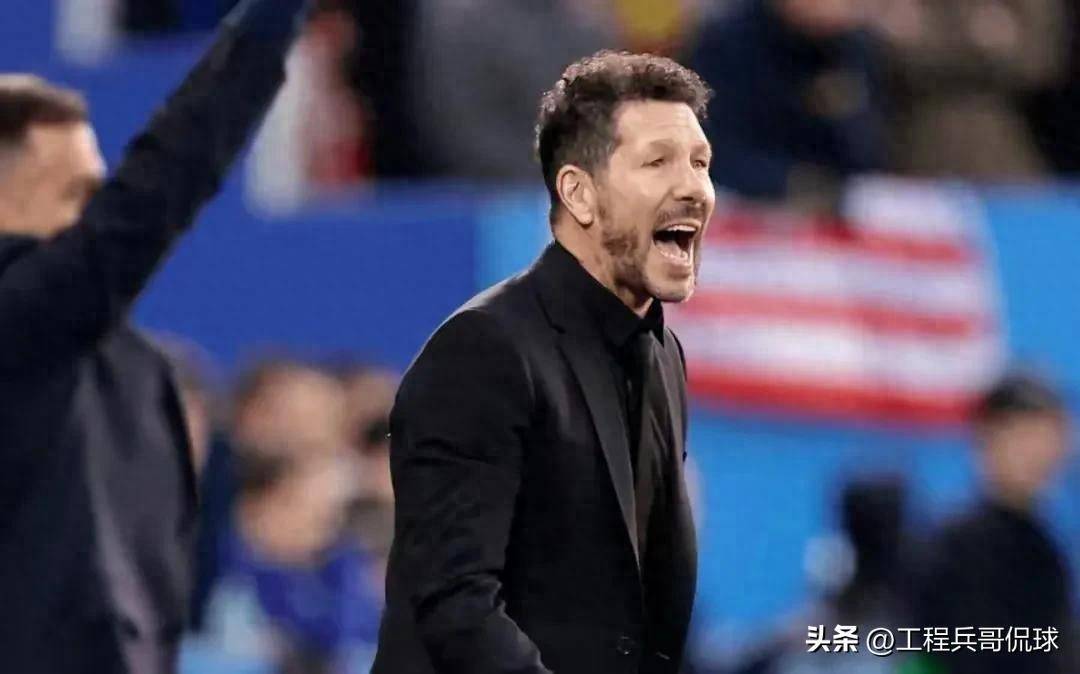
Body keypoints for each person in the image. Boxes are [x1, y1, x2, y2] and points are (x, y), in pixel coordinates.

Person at [373, 50, 714, 674]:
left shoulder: (665, 356)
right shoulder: (483, 350)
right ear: (579, 194)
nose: (693, 187)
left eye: (700, 163)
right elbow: (456, 603)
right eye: (658, 162)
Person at [0, 1, 310, 671]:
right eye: (72, 191)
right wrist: (268, 24)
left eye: (98, 193)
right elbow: (159, 184)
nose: (93, 216)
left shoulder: (135, 370)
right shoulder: (16, 319)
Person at [913, 373, 1075, 674]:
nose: (1039, 453)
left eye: (1049, 437)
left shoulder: (1047, 551)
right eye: (1024, 437)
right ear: (986, 440)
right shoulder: (951, 547)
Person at [688, 0, 887, 209]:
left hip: (834, 204)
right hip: (741, 202)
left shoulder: (852, 49)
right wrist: (792, 183)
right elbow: (715, 152)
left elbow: (866, 157)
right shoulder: (727, 42)